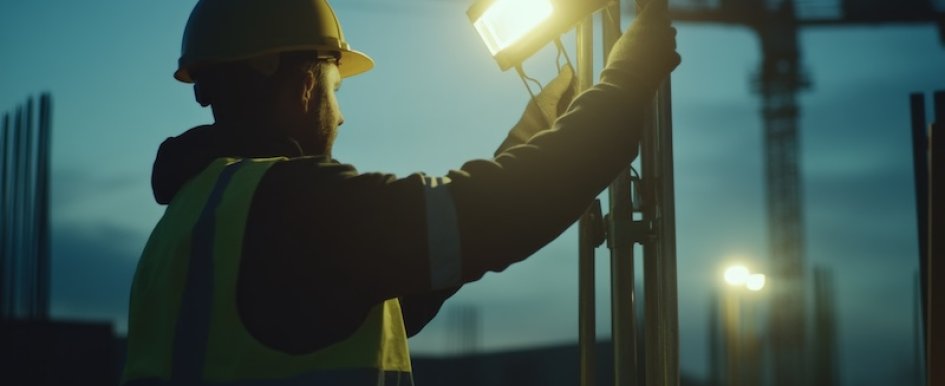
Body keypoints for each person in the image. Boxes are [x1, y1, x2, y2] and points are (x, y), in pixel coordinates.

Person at [121, 0, 680, 384]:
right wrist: (627, 82)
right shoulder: (290, 204)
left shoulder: (190, 223)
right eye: (337, 90)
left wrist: (532, 132)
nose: (340, 118)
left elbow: (417, 271)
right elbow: (486, 218)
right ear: (307, 86)